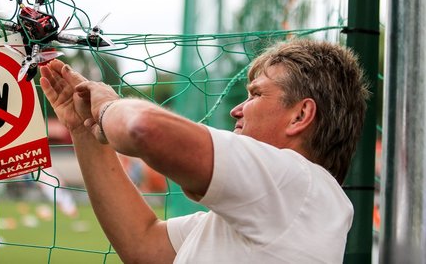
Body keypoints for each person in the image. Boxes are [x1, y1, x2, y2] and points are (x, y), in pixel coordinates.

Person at [39, 38, 369, 263]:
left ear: (300, 116)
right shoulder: (275, 204)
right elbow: (144, 244)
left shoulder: (298, 185)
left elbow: (144, 128)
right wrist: (82, 128)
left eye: (256, 94)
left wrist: (108, 108)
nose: (237, 109)